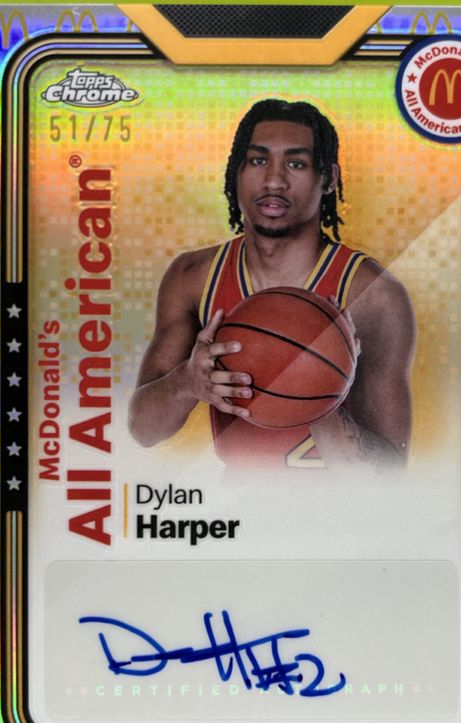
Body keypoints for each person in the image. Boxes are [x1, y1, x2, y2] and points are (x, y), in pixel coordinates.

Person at [129, 99, 415, 470]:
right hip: (239, 502)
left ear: (329, 178)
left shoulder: (373, 296)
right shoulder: (194, 277)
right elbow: (143, 430)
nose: (274, 180)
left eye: (296, 164)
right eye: (258, 160)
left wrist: (321, 394)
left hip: (338, 506)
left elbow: (390, 482)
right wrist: (186, 382)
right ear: (235, 171)